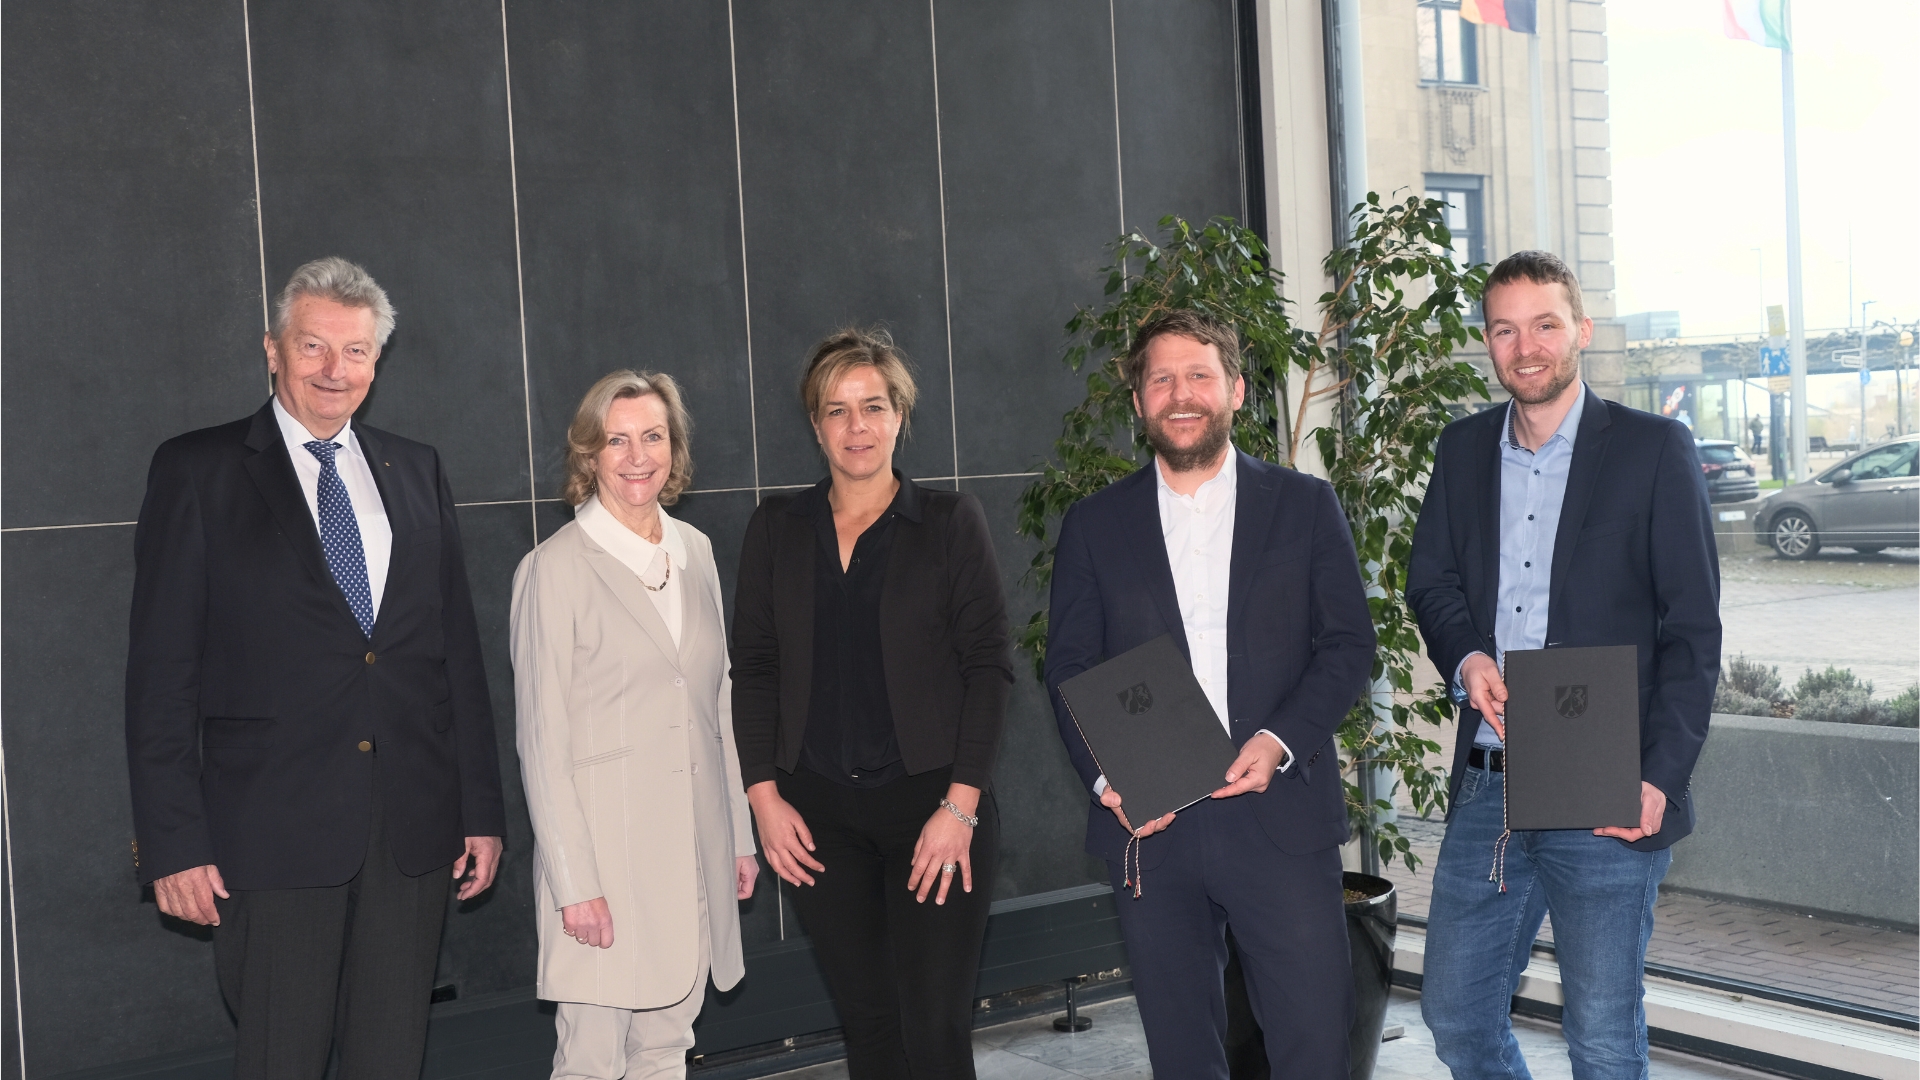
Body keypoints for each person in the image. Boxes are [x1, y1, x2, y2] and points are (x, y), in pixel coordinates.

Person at [125, 257, 507, 1078]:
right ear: (273, 349)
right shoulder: (198, 470)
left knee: (390, 1060)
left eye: (356, 351)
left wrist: (479, 808)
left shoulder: (416, 468)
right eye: (313, 346)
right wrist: (172, 842)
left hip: (410, 833)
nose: (336, 369)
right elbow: (160, 677)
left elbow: (455, 657)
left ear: (377, 361)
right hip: (272, 837)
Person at [1406, 250, 1721, 1080]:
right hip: (1492, 781)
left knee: (1603, 1038)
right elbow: (1431, 582)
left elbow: (1693, 632)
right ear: (1487, 342)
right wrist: (1468, 656)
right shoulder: (1463, 449)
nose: (1527, 347)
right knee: (1456, 1015)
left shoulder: (1654, 448)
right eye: (1505, 330)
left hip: (1606, 782)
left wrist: (1659, 778)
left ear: (1580, 330)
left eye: (1545, 324)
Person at [1043, 310, 1377, 1079]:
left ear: (1235, 389)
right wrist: (1107, 779)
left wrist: (1281, 739)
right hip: (1152, 825)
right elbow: (1068, 668)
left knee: (1314, 1048)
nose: (1181, 393)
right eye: (1161, 379)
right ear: (1138, 401)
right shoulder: (1094, 524)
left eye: (1199, 375)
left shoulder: (1304, 505)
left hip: (1280, 816)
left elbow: (1348, 644)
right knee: (1182, 1055)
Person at [731, 328, 1013, 1080]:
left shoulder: (950, 524)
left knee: (935, 1031)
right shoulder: (775, 529)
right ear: (816, 424)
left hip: (934, 809)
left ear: (900, 417)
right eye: (837, 410)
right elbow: (753, 670)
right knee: (871, 1030)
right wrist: (763, 798)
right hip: (817, 818)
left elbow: (989, 670)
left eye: (873, 407)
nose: (856, 426)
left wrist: (961, 809)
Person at [511, 371, 760, 1080]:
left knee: (664, 1050)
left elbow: (719, 706)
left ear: (673, 447)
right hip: (605, 867)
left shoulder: (696, 552)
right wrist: (573, 883)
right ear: (589, 454)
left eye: (653, 436)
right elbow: (541, 743)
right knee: (592, 1061)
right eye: (616, 440)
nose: (637, 456)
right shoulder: (552, 570)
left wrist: (737, 836)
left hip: (692, 857)